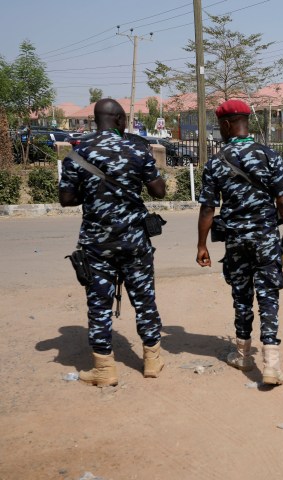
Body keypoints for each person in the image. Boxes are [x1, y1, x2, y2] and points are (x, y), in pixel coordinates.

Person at [59, 98, 167, 387]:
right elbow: (158, 192)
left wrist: (93, 195)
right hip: (134, 241)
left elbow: (66, 199)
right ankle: (152, 360)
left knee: (99, 304)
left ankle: (104, 369)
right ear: (120, 120)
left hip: (97, 245)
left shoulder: (76, 156)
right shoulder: (138, 150)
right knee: (144, 298)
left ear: (95, 120)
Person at [196, 99, 283, 386]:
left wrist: (201, 245)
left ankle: (242, 355)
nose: (220, 130)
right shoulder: (269, 156)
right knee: (268, 297)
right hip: (265, 239)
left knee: (241, 297)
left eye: (219, 125)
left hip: (236, 241)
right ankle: (271, 364)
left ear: (228, 125)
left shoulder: (215, 163)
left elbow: (207, 209)